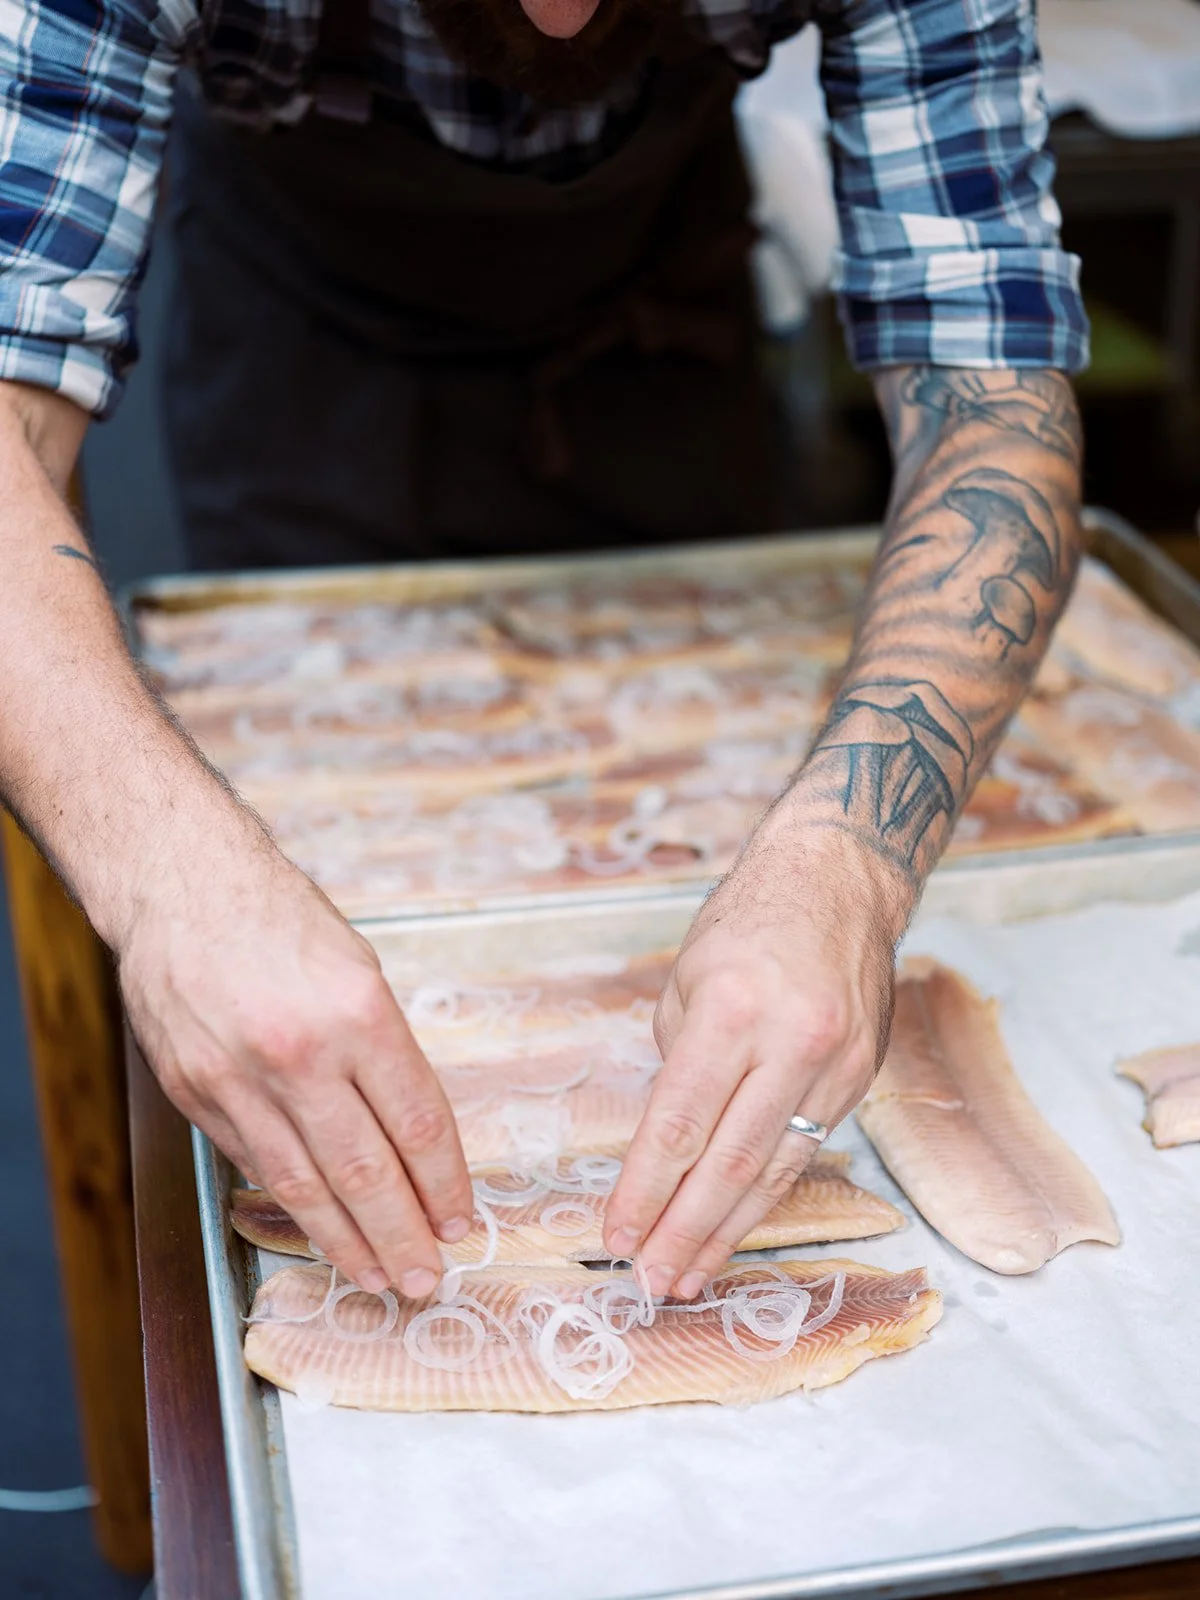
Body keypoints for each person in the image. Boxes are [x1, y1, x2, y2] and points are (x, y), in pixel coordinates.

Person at [0, 0, 1086, 1306]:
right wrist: (176, 887)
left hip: (654, 345)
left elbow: (992, 378)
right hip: (307, 359)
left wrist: (846, 866)